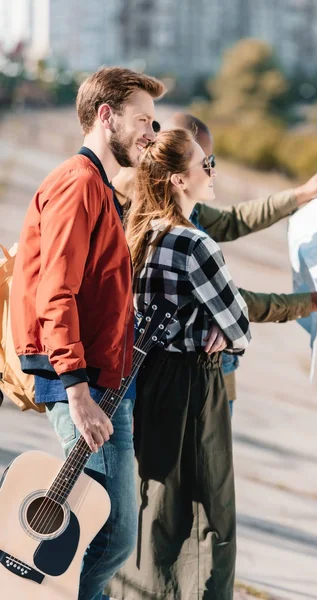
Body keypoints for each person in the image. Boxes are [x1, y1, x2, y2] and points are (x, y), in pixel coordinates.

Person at [11, 67, 165, 600]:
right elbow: (57, 291)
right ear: (107, 116)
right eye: (143, 119)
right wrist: (77, 391)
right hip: (85, 387)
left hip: (103, 384)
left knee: (108, 531)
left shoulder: (99, 188)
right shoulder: (78, 185)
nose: (152, 131)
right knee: (110, 534)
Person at [113, 113, 317, 414]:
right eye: (205, 163)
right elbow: (237, 309)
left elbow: (235, 220)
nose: (213, 171)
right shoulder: (178, 237)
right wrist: (313, 302)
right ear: (175, 170)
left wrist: (302, 194)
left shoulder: (173, 214)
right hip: (187, 384)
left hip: (206, 375)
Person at [125, 128, 251, 598]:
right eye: (205, 165)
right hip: (195, 385)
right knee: (207, 514)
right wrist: (224, 334)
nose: (211, 171)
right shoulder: (195, 244)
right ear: (180, 180)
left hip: (147, 377)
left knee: (152, 502)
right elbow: (239, 328)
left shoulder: (140, 232)